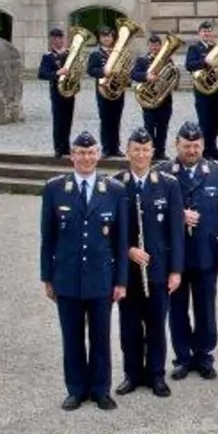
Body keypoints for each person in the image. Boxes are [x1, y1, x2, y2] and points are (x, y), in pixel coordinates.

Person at [39, 131, 128, 410]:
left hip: (102, 277)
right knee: (72, 336)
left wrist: (121, 280)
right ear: (72, 156)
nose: (86, 158)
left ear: (98, 155)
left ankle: (101, 389)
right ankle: (76, 389)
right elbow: (48, 238)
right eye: (80, 152)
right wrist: (46, 277)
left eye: (91, 153)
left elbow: (121, 240)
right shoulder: (54, 189)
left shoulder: (114, 190)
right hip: (66, 278)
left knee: (101, 337)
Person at [160, 120, 218, 379]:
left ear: (203, 145)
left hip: (206, 252)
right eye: (186, 146)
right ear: (176, 144)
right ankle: (182, 357)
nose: (191, 151)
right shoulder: (163, 172)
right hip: (175, 256)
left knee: (205, 308)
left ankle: (204, 356)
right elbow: (153, 210)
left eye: (196, 146)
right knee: (177, 308)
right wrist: (177, 214)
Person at [114, 128, 185, 399]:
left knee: (156, 325)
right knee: (129, 326)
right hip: (128, 272)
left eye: (145, 150)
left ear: (152, 152)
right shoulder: (117, 184)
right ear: (127, 151)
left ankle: (156, 375)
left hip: (158, 269)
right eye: (136, 149)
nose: (141, 155)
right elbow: (109, 232)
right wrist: (128, 249)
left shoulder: (167, 184)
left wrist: (176, 270)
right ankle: (132, 374)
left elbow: (176, 232)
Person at [128, 33, 175, 160]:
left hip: (164, 99)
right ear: (148, 46)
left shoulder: (168, 59)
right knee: (149, 127)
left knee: (163, 127)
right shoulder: (142, 60)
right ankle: (150, 152)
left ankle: (161, 152)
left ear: (160, 46)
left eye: (157, 45)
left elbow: (173, 75)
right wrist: (146, 76)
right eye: (152, 45)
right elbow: (133, 75)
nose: (155, 47)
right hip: (148, 100)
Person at [185, 21, 218, 159]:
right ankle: (205, 151)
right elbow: (189, 65)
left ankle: (213, 148)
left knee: (216, 122)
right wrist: (205, 62)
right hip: (203, 91)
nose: (207, 34)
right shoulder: (194, 49)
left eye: (209, 31)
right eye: (204, 31)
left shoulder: (216, 48)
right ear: (199, 33)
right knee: (205, 122)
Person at [87, 25, 126, 158]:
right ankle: (106, 147)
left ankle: (116, 147)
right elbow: (91, 71)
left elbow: (125, 69)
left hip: (118, 90)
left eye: (109, 36)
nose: (106, 39)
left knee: (117, 118)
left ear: (113, 38)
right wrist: (103, 72)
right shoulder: (96, 54)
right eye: (104, 36)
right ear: (100, 38)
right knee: (105, 118)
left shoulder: (118, 52)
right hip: (103, 89)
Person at [38, 27, 77, 158]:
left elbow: (76, 70)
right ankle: (58, 148)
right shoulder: (48, 56)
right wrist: (57, 73)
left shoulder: (69, 54)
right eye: (55, 38)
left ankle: (66, 146)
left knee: (68, 119)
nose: (58, 40)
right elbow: (42, 74)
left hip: (69, 91)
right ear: (51, 40)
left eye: (60, 38)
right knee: (59, 120)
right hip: (57, 91)